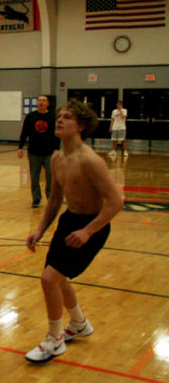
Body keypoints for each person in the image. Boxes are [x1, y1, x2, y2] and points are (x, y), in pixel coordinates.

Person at [25, 99, 122, 364]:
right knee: (57, 279)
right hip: (69, 222)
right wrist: (40, 230)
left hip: (92, 226)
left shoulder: (90, 161)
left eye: (67, 117)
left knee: (49, 279)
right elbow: (55, 199)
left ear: (80, 126)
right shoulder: (57, 157)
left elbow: (116, 202)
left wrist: (88, 232)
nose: (59, 119)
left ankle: (54, 340)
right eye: (59, 115)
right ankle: (78, 323)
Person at [18, 95, 59, 208]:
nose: (41, 102)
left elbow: (57, 134)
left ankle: (50, 199)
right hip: (34, 152)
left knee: (50, 177)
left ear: (48, 104)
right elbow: (24, 132)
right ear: (37, 103)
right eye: (39, 100)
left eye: (43, 101)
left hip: (49, 152)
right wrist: (20, 147)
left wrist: (57, 149)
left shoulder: (53, 117)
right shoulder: (31, 116)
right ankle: (36, 199)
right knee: (34, 177)